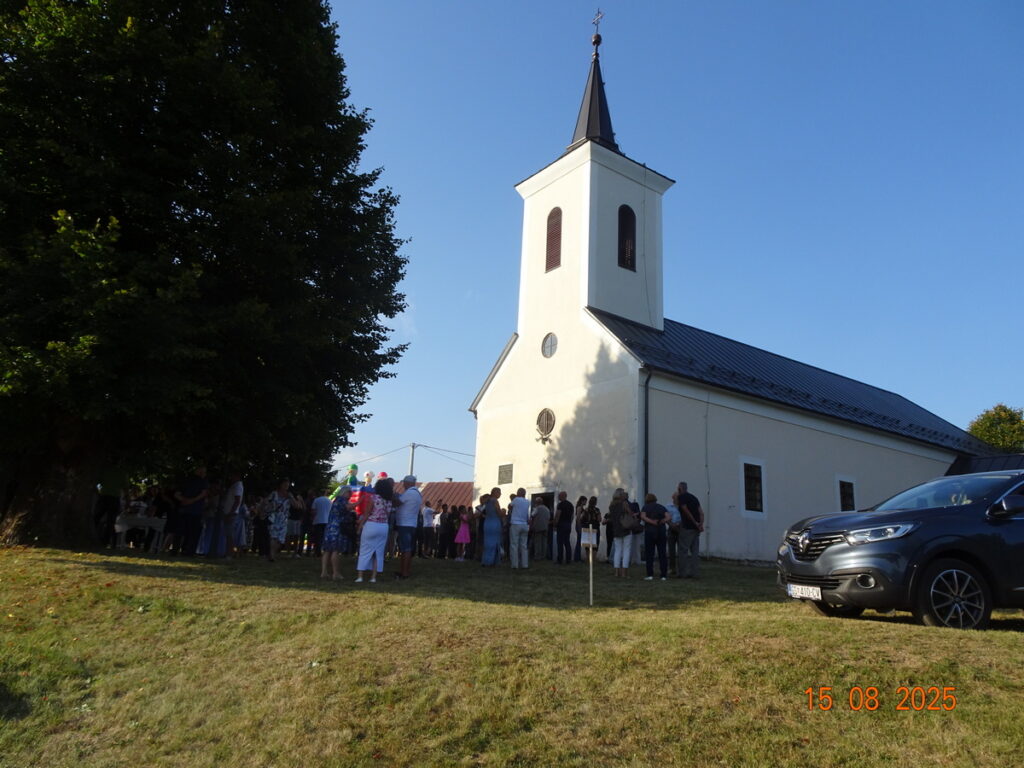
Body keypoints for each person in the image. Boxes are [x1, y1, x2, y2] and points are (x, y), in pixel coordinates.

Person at [356, 477, 393, 583]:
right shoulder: (389, 501)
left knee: (364, 551)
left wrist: (360, 527)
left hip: (371, 525)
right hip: (384, 526)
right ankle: (373, 577)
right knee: (378, 553)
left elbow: (367, 514)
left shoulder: (373, 498)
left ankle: (360, 577)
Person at [174, 465, 208, 555]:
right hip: (195, 511)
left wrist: (184, 500)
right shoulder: (202, 481)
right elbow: (203, 493)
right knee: (193, 533)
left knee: (180, 531)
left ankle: (175, 550)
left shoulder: (185, 480)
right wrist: (192, 500)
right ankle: (189, 551)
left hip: (184, 509)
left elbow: (176, 494)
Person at [394, 475, 422, 579]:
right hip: (411, 523)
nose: (403, 485)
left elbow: (397, 503)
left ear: (408, 483)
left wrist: (392, 496)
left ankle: (404, 573)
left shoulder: (409, 493)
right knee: (406, 548)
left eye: (404, 483)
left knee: (406, 549)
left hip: (405, 523)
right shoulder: (417, 493)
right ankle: (404, 571)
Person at [321, 486, 351, 580]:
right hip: (337, 528)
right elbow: (349, 507)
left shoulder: (336, 500)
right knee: (336, 550)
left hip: (329, 527)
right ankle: (336, 573)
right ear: (344, 492)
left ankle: (324, 572)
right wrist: (360, 500)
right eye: (349, 493)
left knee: (327, 550)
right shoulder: (342, 500)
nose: (350, 495)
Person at [262, 479, 296, 562]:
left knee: (281, 540)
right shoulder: (274, 494)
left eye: (287, 485)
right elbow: (266, 501)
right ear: (280, 485)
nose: (286, 486)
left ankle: (271, 554)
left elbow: (295, 505)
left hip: (284, 519)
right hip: (274, 518)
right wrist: (268, 507)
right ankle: (272, 556)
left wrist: (291, 497)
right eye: (285, 484)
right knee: (273, 537)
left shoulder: (289, 495)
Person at [677, 481, 705, 579]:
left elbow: (685, 510)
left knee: (683, 550)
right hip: (696, 529)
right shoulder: (694, 498)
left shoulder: (682, 497)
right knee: (694, 551)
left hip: (687, 527)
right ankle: (694, 573)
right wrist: (700, 524)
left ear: (680, 488)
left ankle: (682, 573)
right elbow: (701, 513)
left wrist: (695, 522)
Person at [640, 493, 669, 580]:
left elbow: (643, 517)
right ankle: (663, 575)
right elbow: (669, 517)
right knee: (662, 553)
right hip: (661, 531)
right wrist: (661, 521)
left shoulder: (645, 507)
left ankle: (650, 575)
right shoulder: (661, 507)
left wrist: (651, 522)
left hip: (649, 532)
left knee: (649, 553)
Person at [609, 488, 635, 577]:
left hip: (616, 529)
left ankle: (617, 572)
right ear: (620, 495)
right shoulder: (624, 504)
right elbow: (630, 513)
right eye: (623, 493)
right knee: (626, 550)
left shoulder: (611, 505)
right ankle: (624, 572)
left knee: (617, 550)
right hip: (625, 529)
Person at [479, 489, 505, 566]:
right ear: (495, 492)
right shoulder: (495, 501)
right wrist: (504, 511)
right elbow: (499, 513)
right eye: (499, 492)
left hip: (487, 522)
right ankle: (492, 560)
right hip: (495, 522)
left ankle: (486, 560)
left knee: (487, 541)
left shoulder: (486, 501)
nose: (500, 494)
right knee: (495, 541)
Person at [507, 487, 531, 569]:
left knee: (514, 545)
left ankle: (515, 565)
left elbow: (509, 507)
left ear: (518, 493)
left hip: (515, 524)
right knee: (524, 546)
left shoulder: (516, 499)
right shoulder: (527, 502)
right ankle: (525, 564)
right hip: (524, 524)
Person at [222, 471, 244, 558]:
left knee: (230, 534)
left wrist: (230, 513)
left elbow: (237, 501)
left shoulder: (238, 486)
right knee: (228, 534)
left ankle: (229, 553)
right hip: (229, 512)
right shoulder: (234, 485)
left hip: (231, 513)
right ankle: (228, 552)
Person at [310, 488, 333, 558]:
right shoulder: (329, 501)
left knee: (317, 538)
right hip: (327, 521)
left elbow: (313, 511)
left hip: (318, 521)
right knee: (324, 537)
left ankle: (317, 552)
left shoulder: (316, 500)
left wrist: (312, 518)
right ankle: (326, 551)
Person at [554, 491, 574, 564]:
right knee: (567, 542)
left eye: (559, 496)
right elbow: (572, 516)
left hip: (561, 525)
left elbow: (558, 515)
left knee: (560, 543)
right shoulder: (570, 504)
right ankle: (568, 560)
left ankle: (560, 560)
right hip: (568, 525)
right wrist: (569, 523)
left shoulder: (560, 504)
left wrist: (555, 524)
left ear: (562, 496)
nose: (558, 497)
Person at [530, 496, 550, 561]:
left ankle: (538, 557)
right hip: (545, 527)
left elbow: (532, 515)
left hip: (538, 527)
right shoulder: (547, 509)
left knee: (538, 543)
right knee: (544, 542)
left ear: (537, 502)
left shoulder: (537, 508)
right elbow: (548, 518)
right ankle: (543, 556)